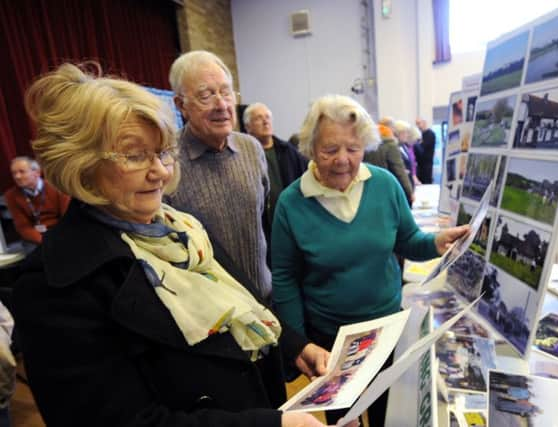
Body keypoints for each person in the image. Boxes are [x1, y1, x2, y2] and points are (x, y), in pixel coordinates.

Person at [12, 63, 348, 427]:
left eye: (162, 152)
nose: (160, 172)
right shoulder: (55, 285)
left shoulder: (181, 227)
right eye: (135, 155)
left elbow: (243, 302)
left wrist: (296, 347)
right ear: (82, 164)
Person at [271, 94, 469, 426]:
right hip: (331, 340)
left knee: (386, 414)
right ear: (310, 147)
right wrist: (300, 344)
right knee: (343, 419)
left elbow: (407, 240)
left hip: (386, 330)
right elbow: (285, 278)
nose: (343, 160)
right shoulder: (292, 204)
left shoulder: (384, 184)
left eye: (353, 148)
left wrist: (436, 242)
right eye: (330, 150)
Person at [167, 50, 271, 299]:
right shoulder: (167, 160)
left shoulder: (251, 148)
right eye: (206, 95)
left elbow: (262, 217)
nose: (222, 105)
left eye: (226, 92)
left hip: (266, 299)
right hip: (213, 313)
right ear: (181, 105)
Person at [243, 102, 307, 237]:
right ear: (248, 127)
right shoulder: (243, 156)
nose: (265, 121)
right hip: (261, 229)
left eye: (267, 117)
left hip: (291, 223)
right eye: (259, 118)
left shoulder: (288, 151)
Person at [3, 156, 70, 251]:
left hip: (60, 231)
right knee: (34, 255)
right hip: (35, 236)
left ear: (37, 173)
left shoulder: (56, 187)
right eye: (14, 173)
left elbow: (67, 217)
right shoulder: (11, 196)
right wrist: (44, 240)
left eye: (22, 172)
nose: (17, 176)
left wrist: (58, 237)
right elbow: (23, 226)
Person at [363, 124, 413, 203]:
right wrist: (409, 191)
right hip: (388, 190)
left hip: (368, 190)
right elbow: (399, 171)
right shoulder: (391, 145)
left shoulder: (367, 146)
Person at [414, 118, 436, 184]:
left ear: (424, 123)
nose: (418, 126)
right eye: (416, 124)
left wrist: (416, 143)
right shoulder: (420, 135)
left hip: (426, 166)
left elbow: (422, 149)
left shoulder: (430, 134)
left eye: (419, 123)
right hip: (419, 166)